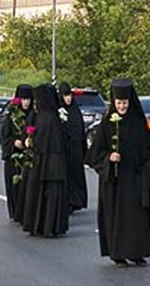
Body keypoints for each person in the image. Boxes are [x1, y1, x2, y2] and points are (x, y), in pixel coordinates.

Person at [86, 78, 150, 267]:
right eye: (119, 103)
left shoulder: (138, 123)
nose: (122, 106)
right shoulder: (107, 124)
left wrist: (147, 167)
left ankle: (137, 252)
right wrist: (109, 158)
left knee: (136, 217)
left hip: (136, 179)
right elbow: (94, 155)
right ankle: (118, 253)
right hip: (114, 182)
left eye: (125, 103)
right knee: (116, 217)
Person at [21, 84, 70, 237]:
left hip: (41, 163)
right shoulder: (54, 117)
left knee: (39, 194)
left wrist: (29, 142)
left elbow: (37, 141)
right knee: (51, 196)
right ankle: (51, 226)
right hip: (55, 165)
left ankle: (38, 225)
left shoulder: (43, 118)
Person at [0, 84, 34, 222]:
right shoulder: (11, 117)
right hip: (14, 159)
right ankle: (16, 213)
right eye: (23, 99)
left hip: (29, 158)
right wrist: (14, 143)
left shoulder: (34, 116)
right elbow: (4, 137)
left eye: (28, 99)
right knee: (14, 186)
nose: (26, 103)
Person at [58, 82, 88, 211]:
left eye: (69, 95)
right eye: (65, 96)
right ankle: (69, 200)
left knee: (77, 174)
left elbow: (80, 129)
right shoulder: (59, 110)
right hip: (66, 148)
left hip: (77, 147)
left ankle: (78, 200)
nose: (68, 99)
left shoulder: (75, 110)